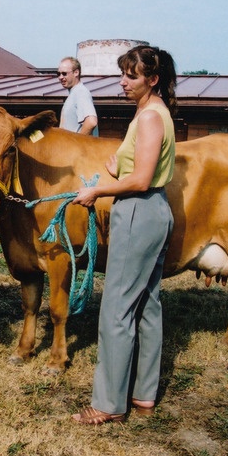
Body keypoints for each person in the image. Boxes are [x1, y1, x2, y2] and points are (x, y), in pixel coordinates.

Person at [70, 45, 177, 424]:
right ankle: (144, 394)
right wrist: (120, 166)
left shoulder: (149, 117)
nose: (123, 82)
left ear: (153, 79)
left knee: (116, 308)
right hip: (155, 210)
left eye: (131, 76)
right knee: (147, 304)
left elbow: (143, 179)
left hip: (138, 212)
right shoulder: (156, 112)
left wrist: (97, 190)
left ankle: (108, 404)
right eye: (123, 74)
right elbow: (142, 168)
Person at [57, 56, 98, 136]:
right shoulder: (74, 93)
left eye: (64, 73)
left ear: (76, 72)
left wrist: (76, 145)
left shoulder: (80, 92)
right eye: (58, 74)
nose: (61, 77)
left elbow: (91, 122)